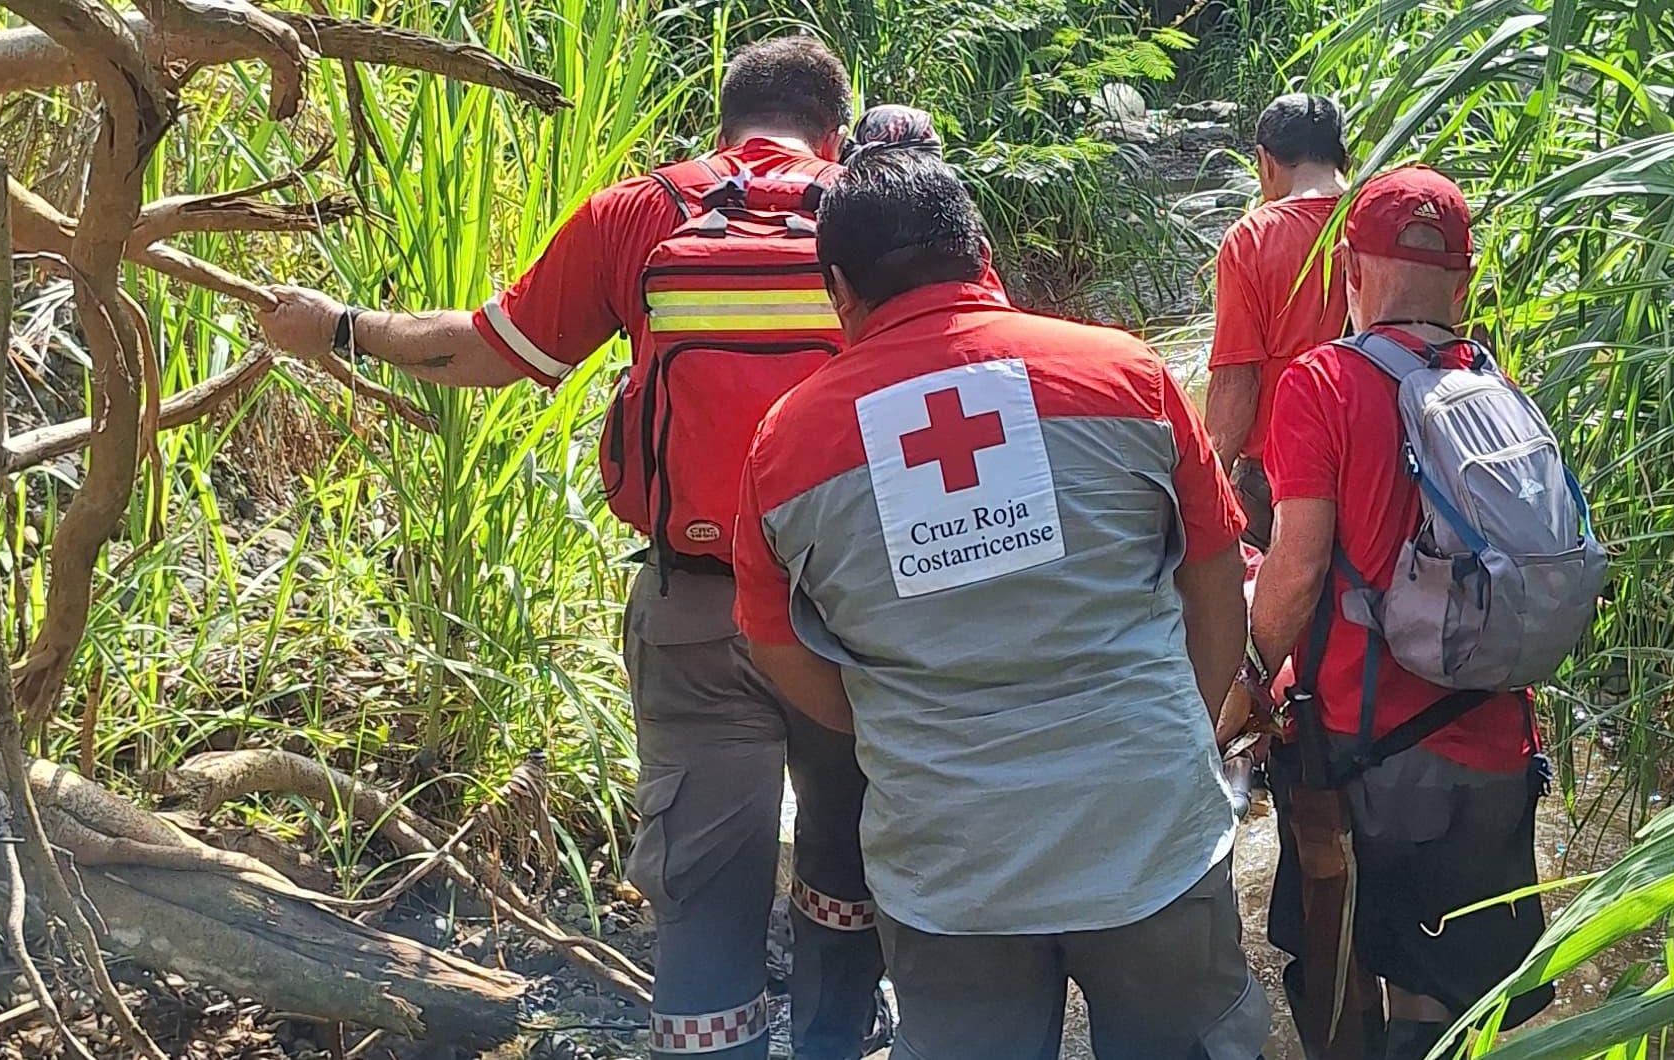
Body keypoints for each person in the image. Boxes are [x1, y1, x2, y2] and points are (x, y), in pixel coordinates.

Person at [257, 37, 890, 1060]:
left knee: (700, 883)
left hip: (699, 606)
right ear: (834, 131)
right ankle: (839, 1037)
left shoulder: (642, 213)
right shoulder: (882, 210)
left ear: (721, 130)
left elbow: (482, 348)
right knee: (848, 849)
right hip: (854, 610)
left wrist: (341, 327)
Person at [731, 148, 1269, 1060]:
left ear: (838, 290)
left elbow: (779, 651)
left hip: (948, 865)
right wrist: (1191, 721)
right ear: (981, 251)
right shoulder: (1126, 375)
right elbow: (1216, 572)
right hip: (1147, 830)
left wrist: (890, 728)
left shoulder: (788, 444)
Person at [1249, 166, 1553, 1060]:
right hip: (1498, 744)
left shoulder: (1322, 383)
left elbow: (1298, 570)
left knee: (1335, 977)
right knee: (1447, 1000)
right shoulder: (1494, 382)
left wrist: (1248, 680)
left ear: (1352, 269)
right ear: (1464, 283)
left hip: (1369, 752)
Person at [1206, 93, 1352, 550]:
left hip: (1278, 477)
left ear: (1265, 162)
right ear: (1343, 155)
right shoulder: (1373, 220)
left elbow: (1237, 383)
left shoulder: (1251, 238)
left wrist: (1209, 479)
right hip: (1374, 463)